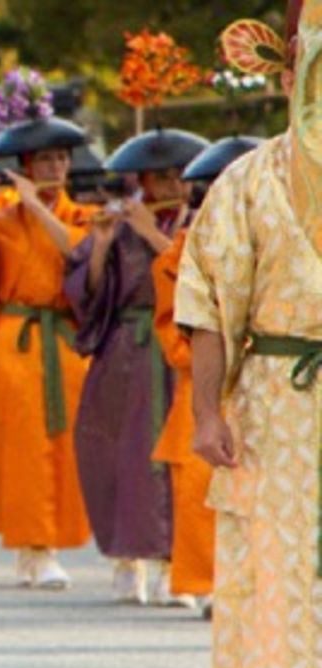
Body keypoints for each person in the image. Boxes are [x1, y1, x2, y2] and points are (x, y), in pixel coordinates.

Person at [179, 6, 322, 668]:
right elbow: (209, 302)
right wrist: (207, 411)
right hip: (276, 394)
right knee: (277, 565)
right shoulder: (250, 176)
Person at [0, 115, 96, 588]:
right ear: (27, 164)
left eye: (61, 158)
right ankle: (35, 546)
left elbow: (79, 256)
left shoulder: (82, 217)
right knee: (25, 448)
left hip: (64, 343)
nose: (54, 167)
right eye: (44, 159)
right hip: (14, 341)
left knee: (64, 449)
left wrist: (37, 206)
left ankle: (45, 544)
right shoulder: (3, 221)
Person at [67, 128, 208, 606]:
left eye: (177, 176)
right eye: (159, 176)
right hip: (126, 349)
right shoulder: (119, 222)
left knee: (176, 461)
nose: (171, 185)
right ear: (142, 179)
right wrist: (104, 244)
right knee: (117, 456)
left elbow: (193, 276)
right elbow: (86, 293)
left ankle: (175, 563)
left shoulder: (201, 222)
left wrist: (150, 230)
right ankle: (127, 559)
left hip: (177, 350)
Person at [152, 135, 260, 616]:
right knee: (200, 490)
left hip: (270, 377)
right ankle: (205, 580)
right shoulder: (181, 252)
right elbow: (176, 330)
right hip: (206, 379)